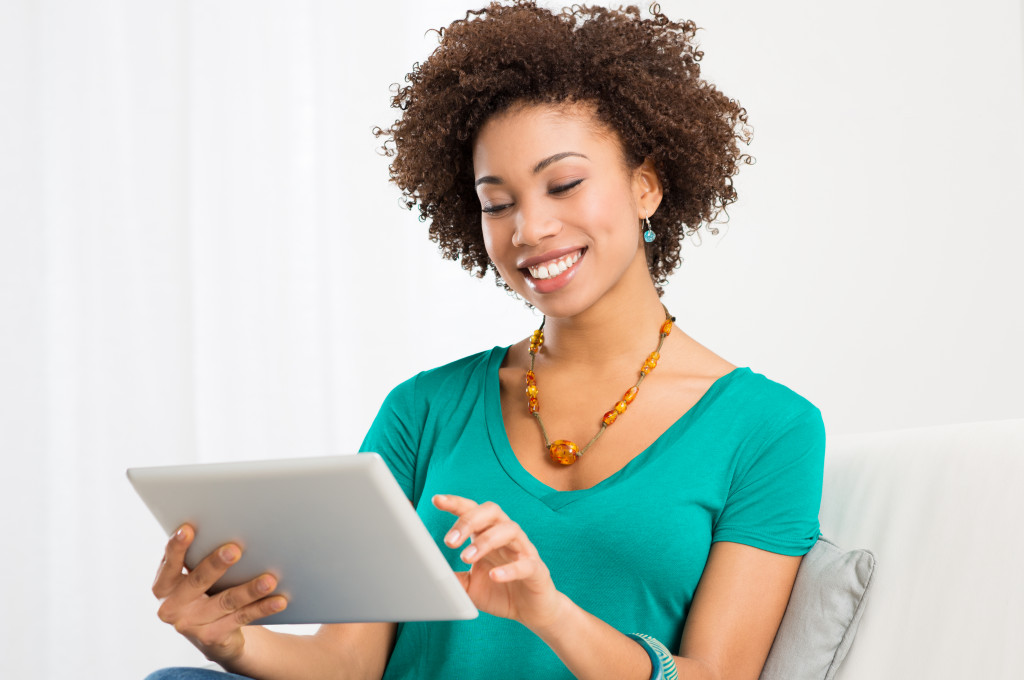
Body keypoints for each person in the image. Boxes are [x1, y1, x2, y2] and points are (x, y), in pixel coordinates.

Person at [146, 2, 825, 679]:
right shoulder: (425, 410)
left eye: (563, 184)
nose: (528, 229)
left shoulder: (768, 429)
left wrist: (550, 612)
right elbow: (349, 660)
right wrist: (232, 643)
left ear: (645, 186)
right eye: (497, 204)